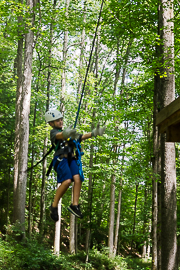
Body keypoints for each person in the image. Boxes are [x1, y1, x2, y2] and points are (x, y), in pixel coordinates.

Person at [45, 109, 105, 222]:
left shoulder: (68, 133)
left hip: (71, 159)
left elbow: (81, 137)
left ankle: (75, 205)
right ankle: (54, 206)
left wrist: (94, 133)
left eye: (61, 119)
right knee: (67, 181)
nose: (60, 122)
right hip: (61, 159)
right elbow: (59, 135)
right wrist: (66, 133)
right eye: (57, 121)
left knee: (78, 179)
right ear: (51, 124)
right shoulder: (54, 133)